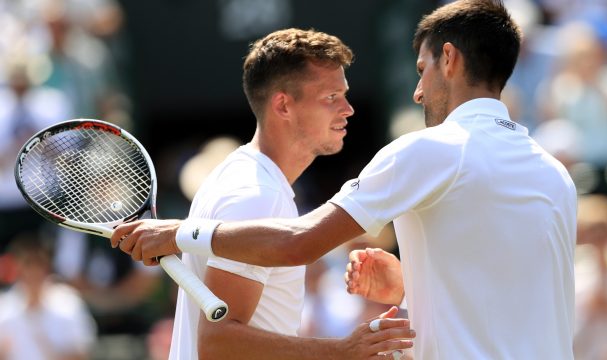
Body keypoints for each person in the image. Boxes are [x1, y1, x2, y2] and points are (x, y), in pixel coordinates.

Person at [112, 1, 577, 358]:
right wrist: (411, 288)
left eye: (423, 70)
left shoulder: (428, 149)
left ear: (449, 60)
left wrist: (177, 233)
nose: (417, 92)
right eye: (332, 96)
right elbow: (517, 295)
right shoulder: (554, 173)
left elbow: (300, 242)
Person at [127, 28, 414, 359]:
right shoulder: (256, 194)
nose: (348, 109)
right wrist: (342, 351)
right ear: (283, 105)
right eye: (331, 97)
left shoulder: (249, 180)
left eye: (344, 95)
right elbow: (218, 344)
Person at [0, 232, 97, 360]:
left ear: (47, 266)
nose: (33, 271)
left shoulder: (69, 303)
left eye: (38, 263)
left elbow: (82, 354)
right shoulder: (4, 308)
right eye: (28, 263)